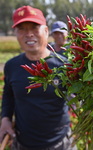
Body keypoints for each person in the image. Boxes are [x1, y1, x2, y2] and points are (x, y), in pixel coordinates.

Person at [0, 5, 76, 150]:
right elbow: (8, 97)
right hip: (23, 144)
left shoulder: (64, 65)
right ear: (15, 33)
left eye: (35, 27)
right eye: (22, 29)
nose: (29, 34)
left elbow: (81, 95)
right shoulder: (12, 66)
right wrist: (5, 119)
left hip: (61, 143)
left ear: (46, 31)